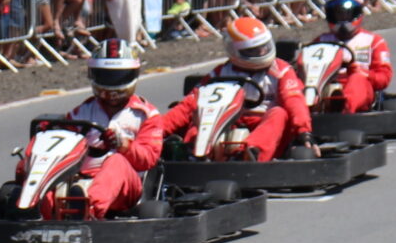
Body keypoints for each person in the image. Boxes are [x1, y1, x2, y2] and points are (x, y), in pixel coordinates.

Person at [135, 16, 315, 163]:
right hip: (228, 121)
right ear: (234, 51)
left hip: (265, 123)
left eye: (264, 48)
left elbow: (294, 101)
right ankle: (193, 155)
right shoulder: (220, 73)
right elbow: (189, 104)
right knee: (199, 115)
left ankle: (250, 155)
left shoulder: (281, 70)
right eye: (254, 51)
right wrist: (155, 132)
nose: (261, 54)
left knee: (279, 113)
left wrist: (304, 132)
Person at [36, 40, 159, 218]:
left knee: (116, 161)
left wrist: (124, 145)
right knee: (53, 166)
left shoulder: (145, 114)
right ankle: (36, 211)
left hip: (126, 186)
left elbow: (148, 159)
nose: (111, 83)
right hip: (80, 178)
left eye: (117, 76)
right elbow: (59, 141)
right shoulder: (82, 112)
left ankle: (89, 211)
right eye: (106, 76)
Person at [309, 0, 392, 113]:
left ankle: (343, 108)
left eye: (346, 13)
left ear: (356, 12)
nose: (342, 18)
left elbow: (384, 78)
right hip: (323, 88)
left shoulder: (374, 42)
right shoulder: (320, 41)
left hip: (359, 88)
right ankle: (306, 111)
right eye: (338, 14)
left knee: (357, 80)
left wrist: (363, 73)